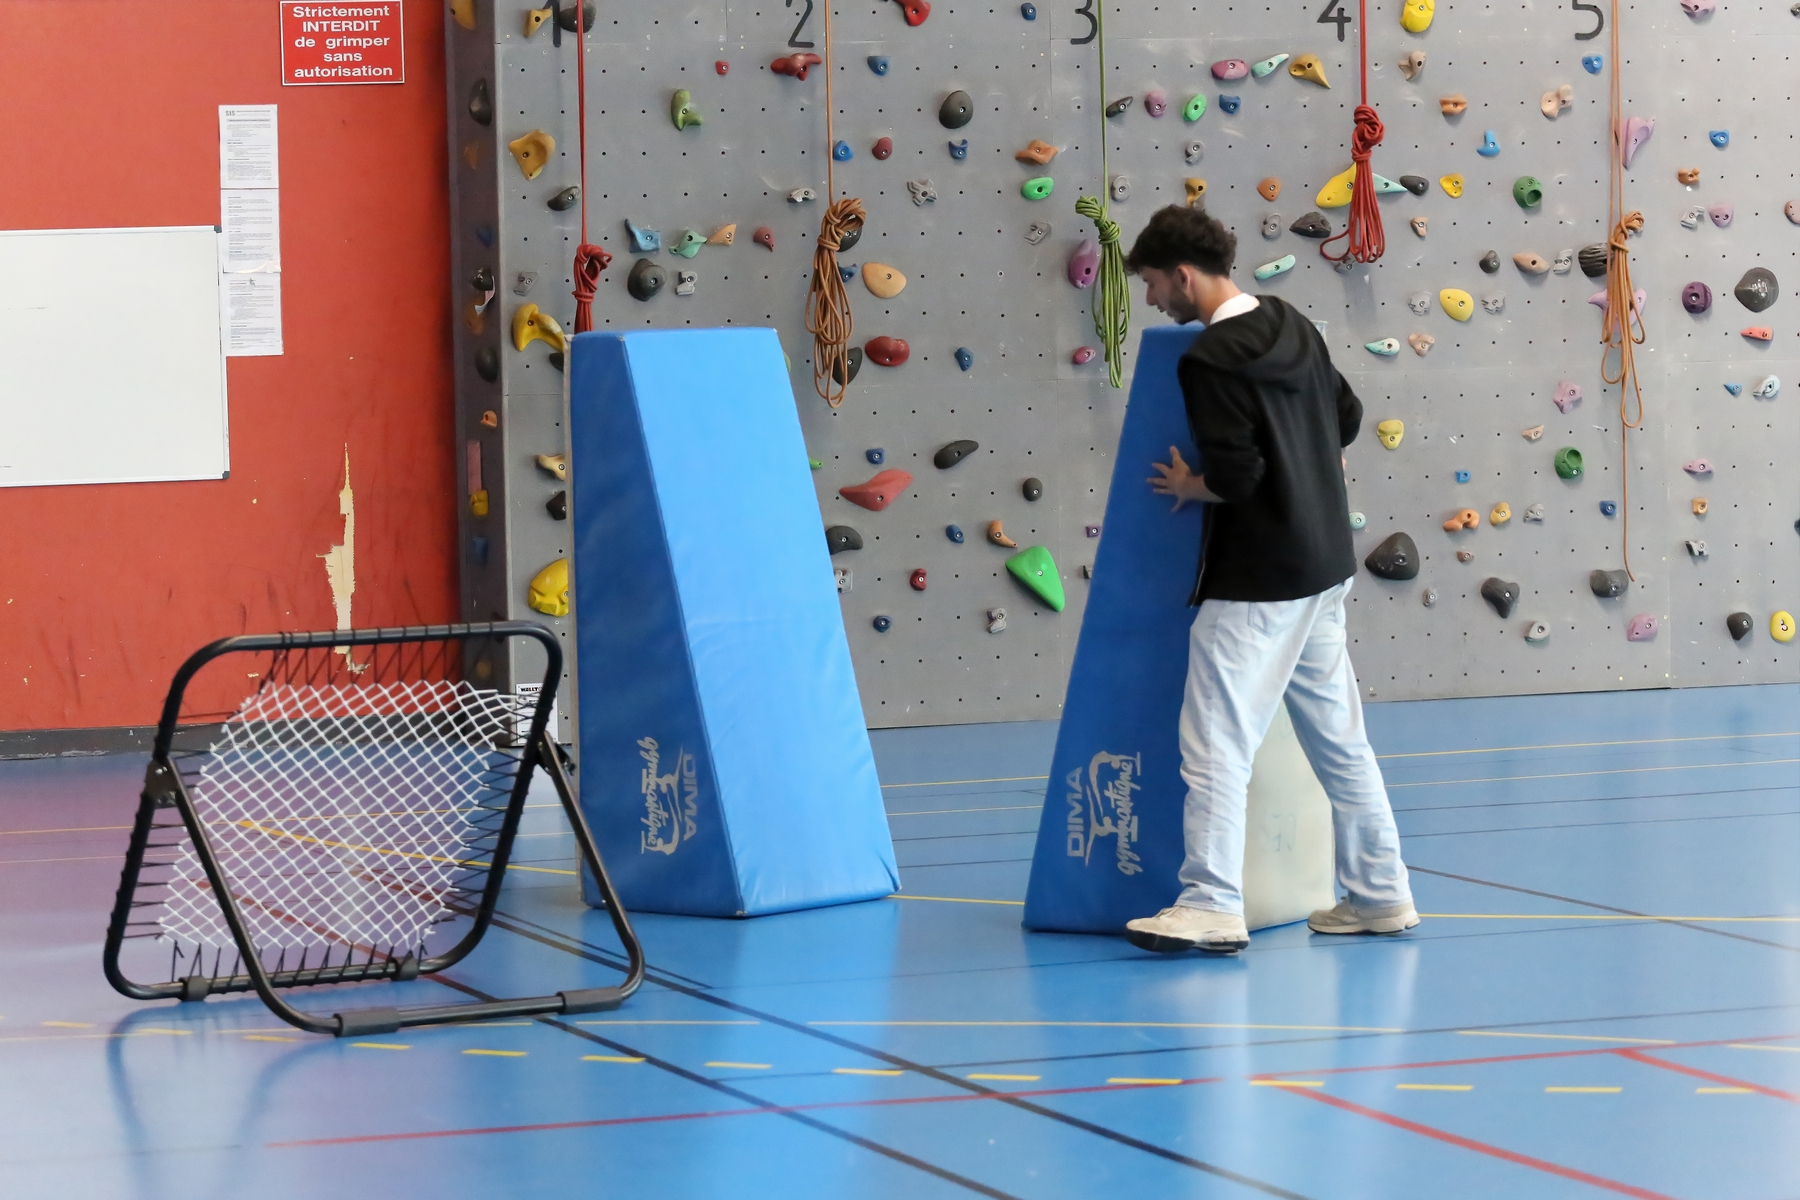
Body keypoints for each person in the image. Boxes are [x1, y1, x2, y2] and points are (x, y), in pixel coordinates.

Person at [1118, 205, 1417, 955]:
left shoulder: (1209, 359)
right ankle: (1382, 894)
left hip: (1260, 578)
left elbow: (1240, 476)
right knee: (1341, 742)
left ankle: (1212, 903)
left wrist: (1194, 485)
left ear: (1183, 275)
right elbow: (1345, 416)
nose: (1154, 300)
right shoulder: (1293, 323)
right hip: (1323, 568)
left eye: (1154, 285)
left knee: (1215, 739)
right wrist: (1303, 457)